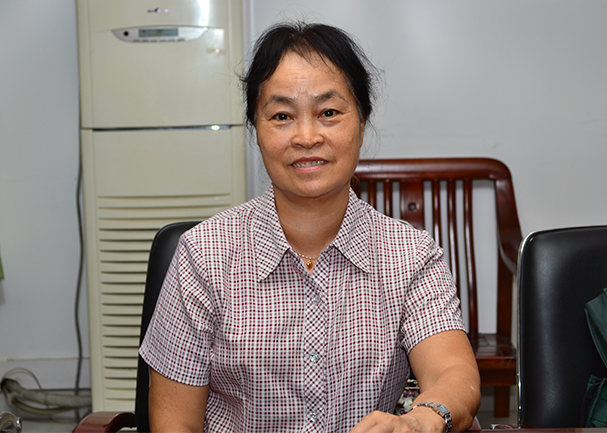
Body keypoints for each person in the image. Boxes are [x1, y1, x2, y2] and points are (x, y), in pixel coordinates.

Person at [139, 21, 481, 432]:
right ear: (256, 130)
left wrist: (423, 419)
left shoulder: (409, 254)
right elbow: (175, 424)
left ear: (362, 122)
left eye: (329, 113)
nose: (306, 136)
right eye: (282, 116)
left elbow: (453, 373)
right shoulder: (203, 255)